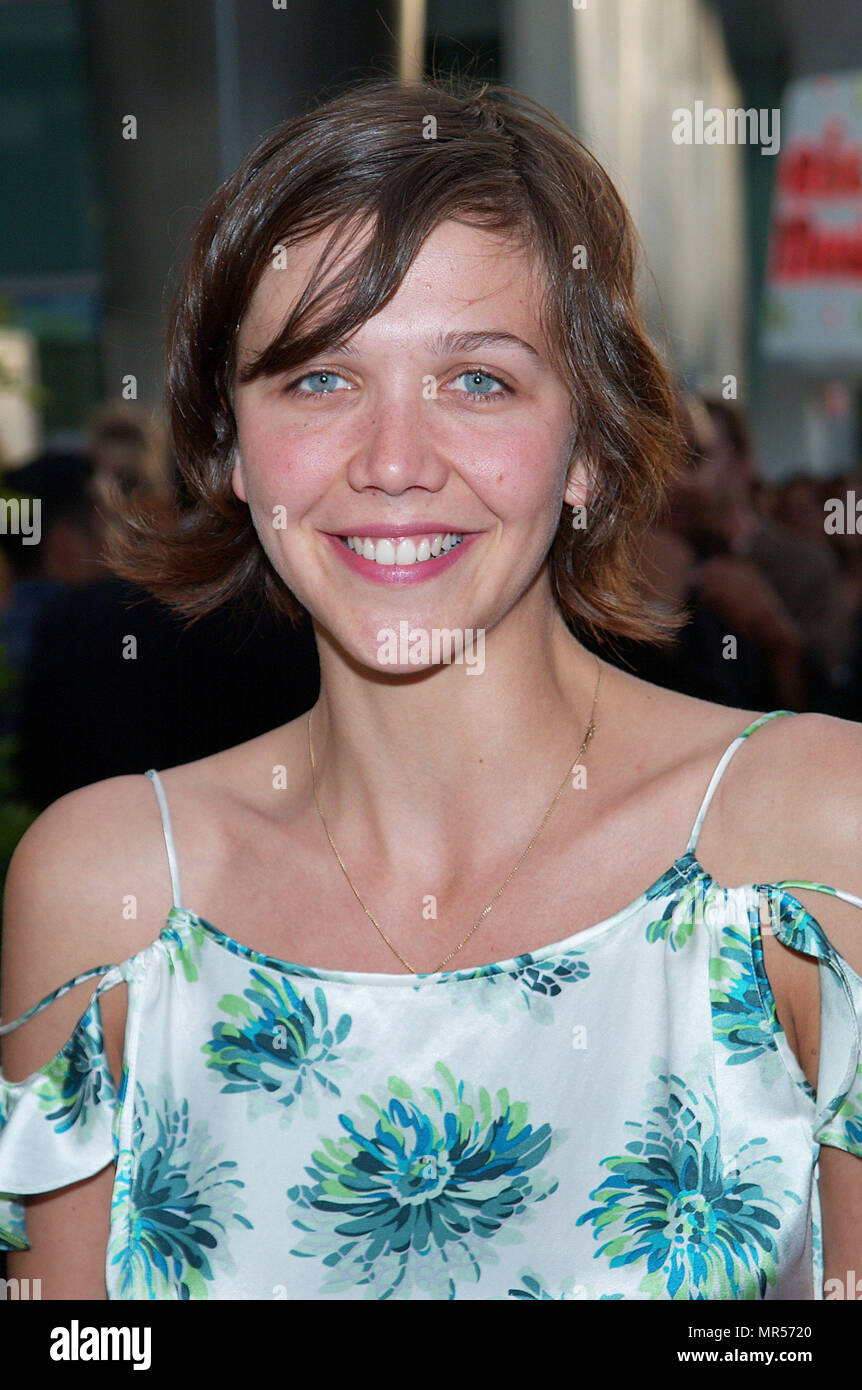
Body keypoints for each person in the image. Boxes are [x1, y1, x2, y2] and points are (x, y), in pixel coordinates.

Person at [1, 76, 861, 1302]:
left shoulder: (809, 839)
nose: (394, 463)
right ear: (232, 451)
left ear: (593, 447)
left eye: (479, 381)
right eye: (318, 379)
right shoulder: (110, 891)